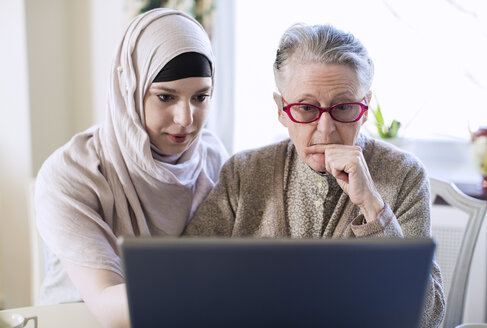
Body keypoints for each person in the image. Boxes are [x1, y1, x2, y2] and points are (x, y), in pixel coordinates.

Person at [184, 23, 445, 327]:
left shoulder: (404, 176)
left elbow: (427, 320)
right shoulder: (242, 173)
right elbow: (186, 284)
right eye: (306, 108)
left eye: (344, 107)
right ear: (281, 109)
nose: (326, 130)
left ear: (365, 107)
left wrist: (372, 207)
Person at [34, 8, 228, 328]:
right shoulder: (72, 174)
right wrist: (228, 290)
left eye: (200, 97)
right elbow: (106, 304)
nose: (186, 119)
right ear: (130, 89)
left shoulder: (214, 160)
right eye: (165, 97)